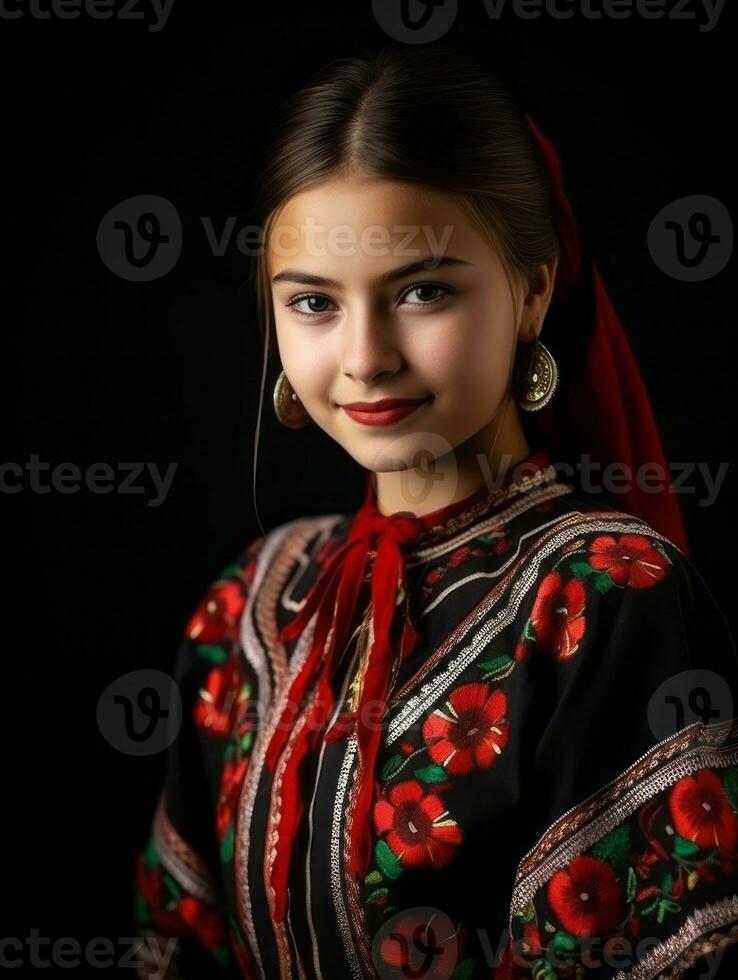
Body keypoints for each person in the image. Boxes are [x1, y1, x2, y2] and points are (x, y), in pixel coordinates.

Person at [132, 43, 738, 980]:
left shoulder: (602, 594)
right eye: (315, 303)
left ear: (533, 288)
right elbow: (177, 946)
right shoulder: (253, 601)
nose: (367, 356)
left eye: (423, 291)